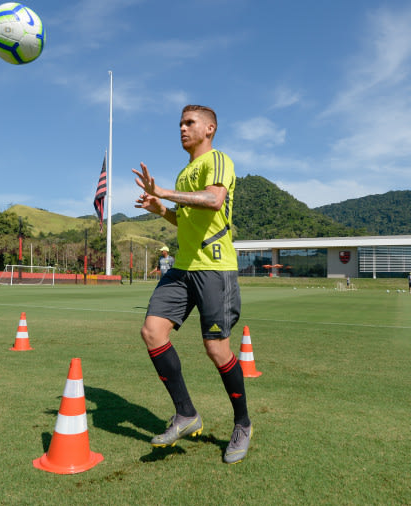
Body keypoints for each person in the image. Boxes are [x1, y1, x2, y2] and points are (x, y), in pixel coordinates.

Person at [132, 104, 250, 464]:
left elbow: (214, 201)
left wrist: (165, 193)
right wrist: (161, 211)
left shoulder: (217, 161)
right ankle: (186, 414)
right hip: (183, 268)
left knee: (217, 350)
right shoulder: (185, 174)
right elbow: (186, 221)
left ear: (209, 129)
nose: (182, 128)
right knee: (153, 331)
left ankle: (242, 424)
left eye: (189, 123)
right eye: (180, 123)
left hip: (215, 269)